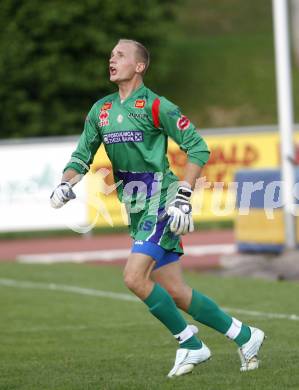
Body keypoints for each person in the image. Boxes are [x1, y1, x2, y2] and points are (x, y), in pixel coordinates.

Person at [50, 39, 265, 377]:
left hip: (161, 201)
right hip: (135, 205)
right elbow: (81, 156)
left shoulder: (158, 106)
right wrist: (66, 182)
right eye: (111, 55)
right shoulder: (100, 110)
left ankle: (191, 345)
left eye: (120, 55)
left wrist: (183, 196)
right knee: (177, 292)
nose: (112, 59)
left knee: (134, 277)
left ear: (139, 66)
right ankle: (246, 336)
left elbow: (198, 148)